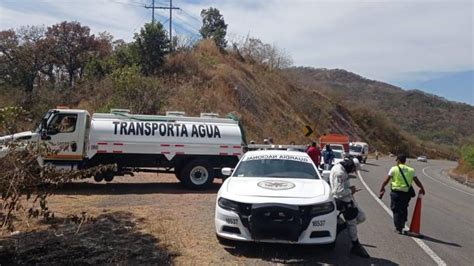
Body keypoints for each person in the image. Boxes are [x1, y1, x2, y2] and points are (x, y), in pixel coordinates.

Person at [330, 157, 369, 258]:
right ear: (351, 166)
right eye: (353, 170)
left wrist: (350, 191)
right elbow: (338, 192)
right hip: (342, 200)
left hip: (348, 198)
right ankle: (355, 245)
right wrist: (350, 190)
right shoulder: (340, 173)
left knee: (361, 217)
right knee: (352, 222)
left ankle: (340, 227)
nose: (353, 172)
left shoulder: (342, 169)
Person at [379, 154, 425, 234]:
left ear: (399, 160)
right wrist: (422, 188)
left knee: (396, 209)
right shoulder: (411, 170)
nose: (396, 161)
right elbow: (416, 181)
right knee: (404, 208)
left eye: (397, 160)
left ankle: (398, 228)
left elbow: (386, 180)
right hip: (406, 194)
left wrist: (382, 188)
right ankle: (403, 223)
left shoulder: (394, 169)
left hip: (396, 193)